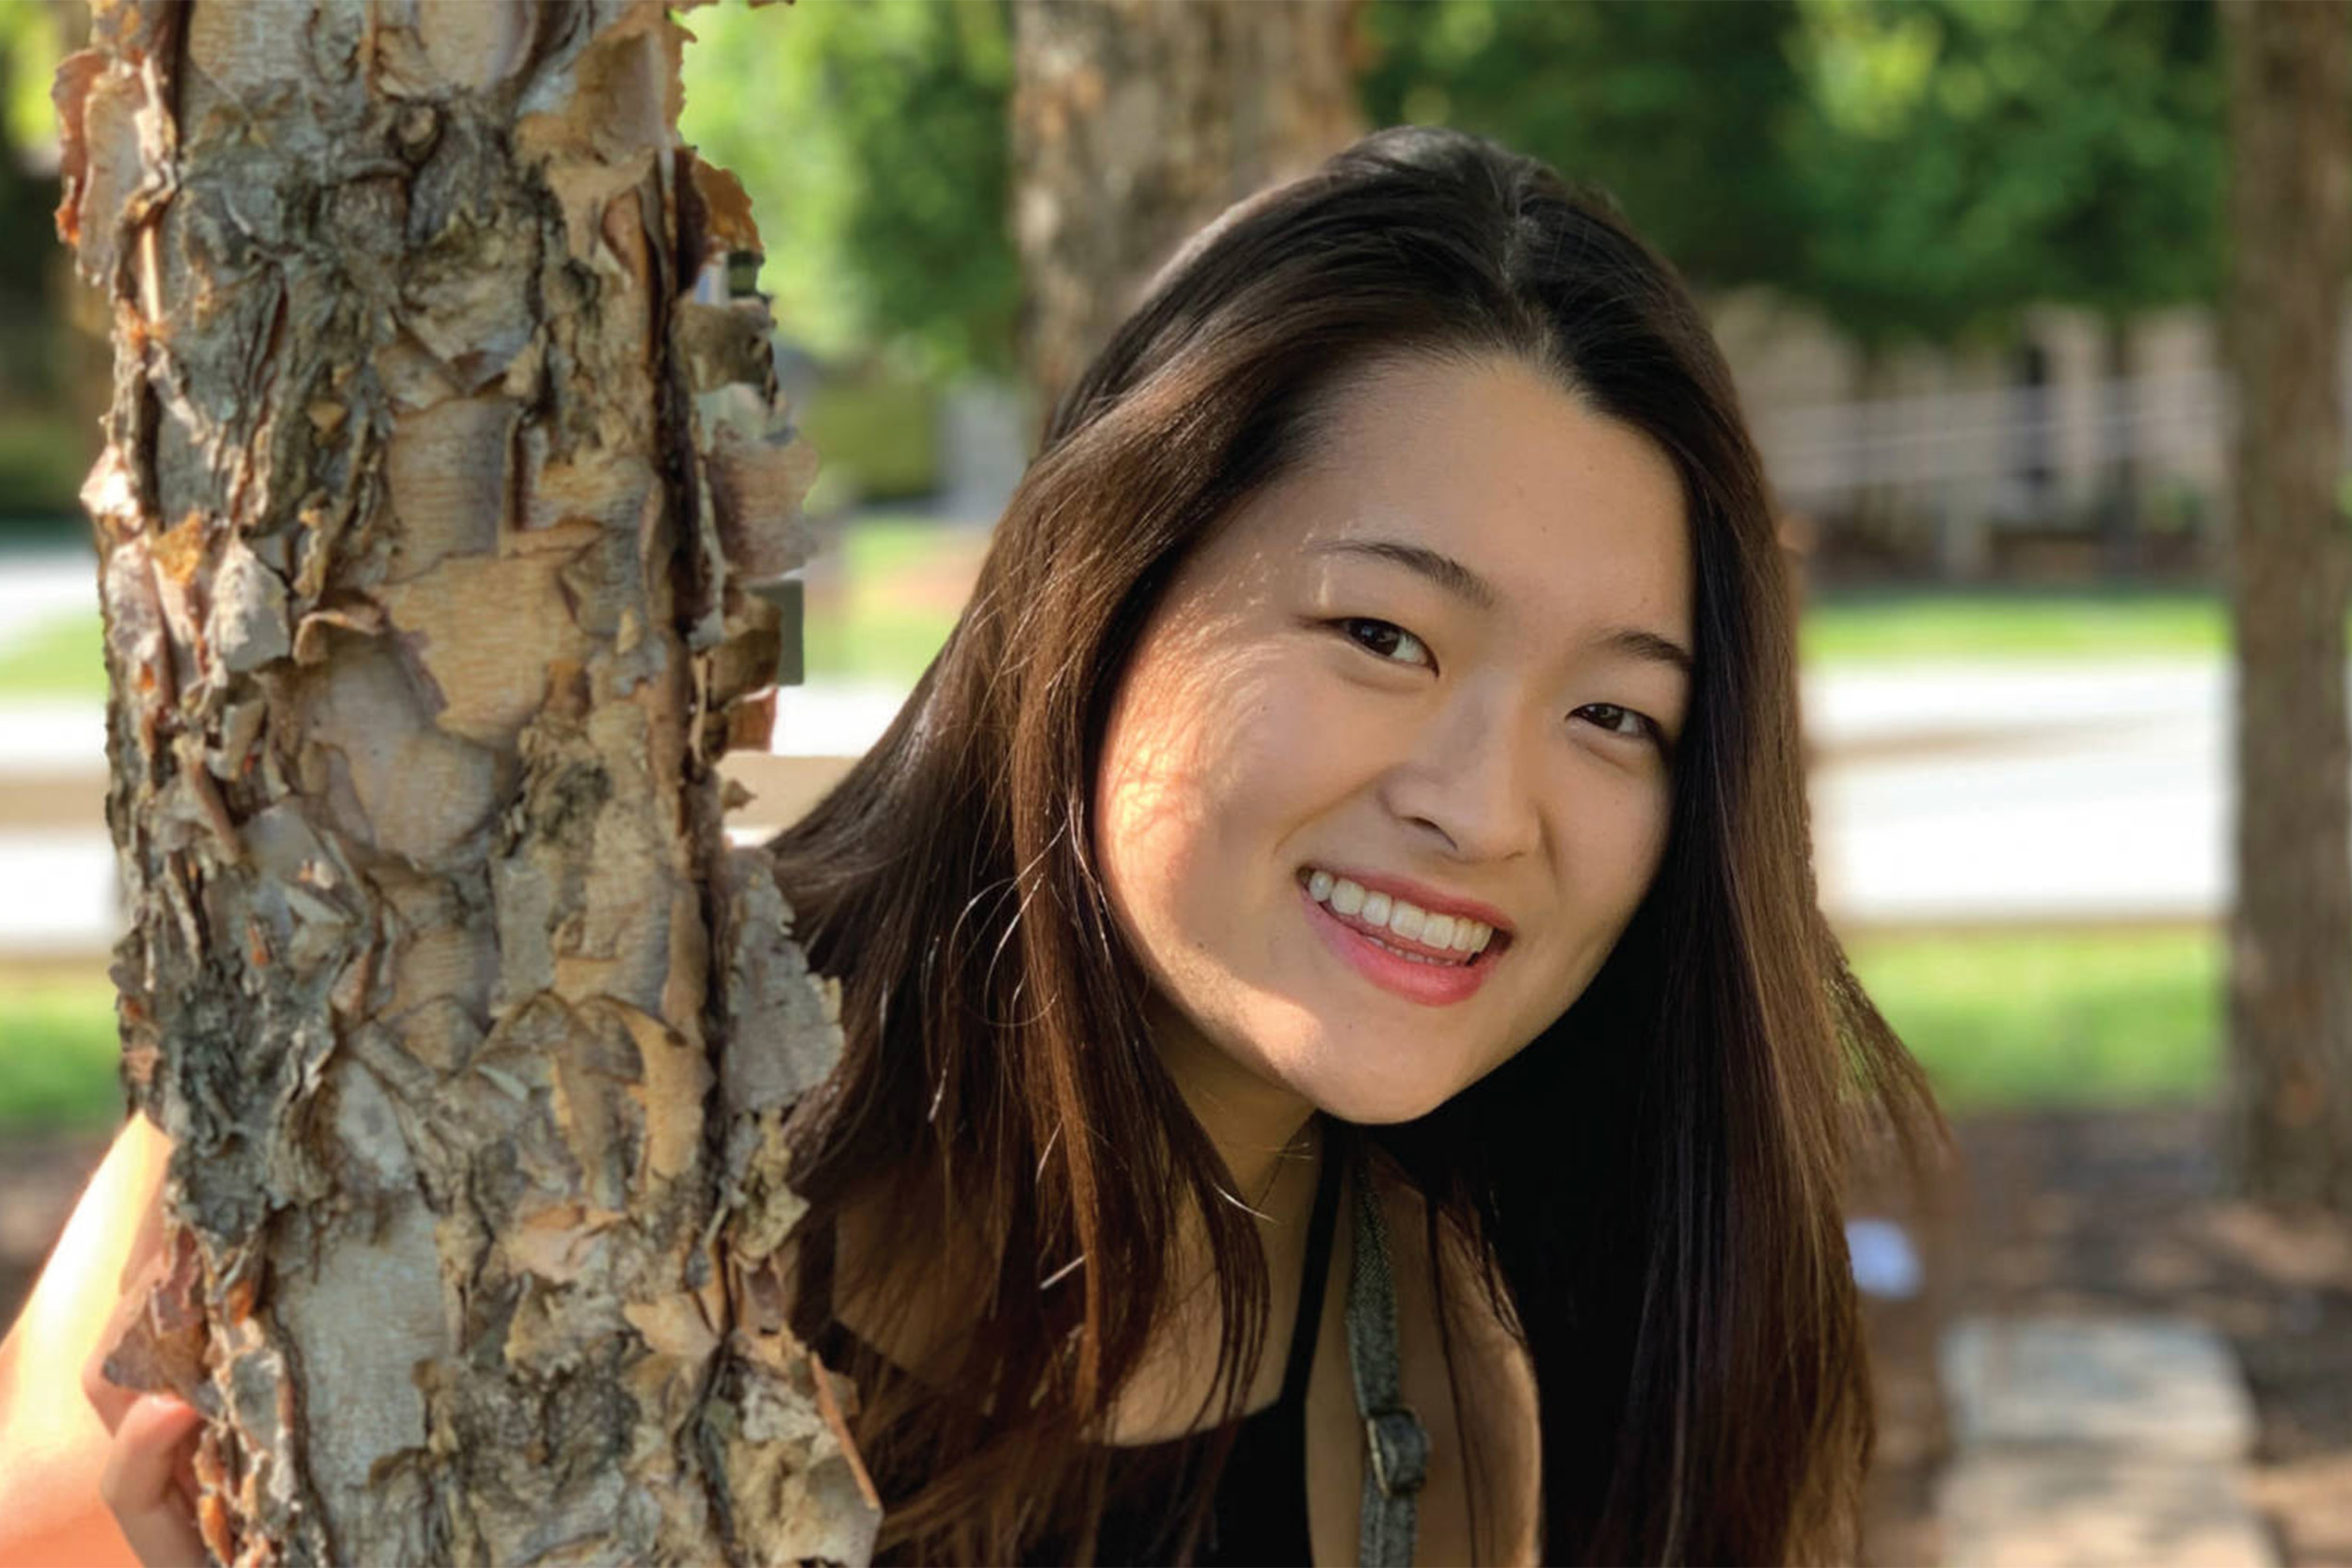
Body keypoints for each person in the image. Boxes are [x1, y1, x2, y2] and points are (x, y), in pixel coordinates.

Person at [0, 123, 1936, 1566]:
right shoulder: (455, 1103)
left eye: (1616, 715)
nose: (1484, 803)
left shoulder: (1436, 1373)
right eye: (1379, 635)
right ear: (1101, 600)